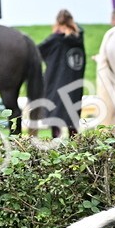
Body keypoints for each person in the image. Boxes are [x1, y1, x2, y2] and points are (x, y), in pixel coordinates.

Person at [37, 9, 85, 137]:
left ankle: (56, 148)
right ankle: (76, 149)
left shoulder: (55, 39)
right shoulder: (79, 38)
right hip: (74, 85)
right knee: (72, 120)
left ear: (57, 22)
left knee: (55, 117)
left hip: (56, 84)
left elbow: (37, 52)